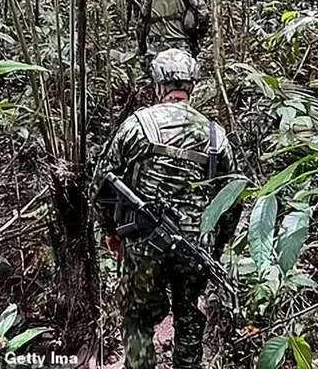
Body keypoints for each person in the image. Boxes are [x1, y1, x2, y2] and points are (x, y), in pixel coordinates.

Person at [90, 49, 242, 369]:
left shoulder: (136, 126)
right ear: (192, 86)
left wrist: (110, 232)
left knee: (138, 319)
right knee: (190, 321)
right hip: (195, 245)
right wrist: (217, 244)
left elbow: (101, 183)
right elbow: (232, 198)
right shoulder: (215, 136)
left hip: (143, 244)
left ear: (158, 85)